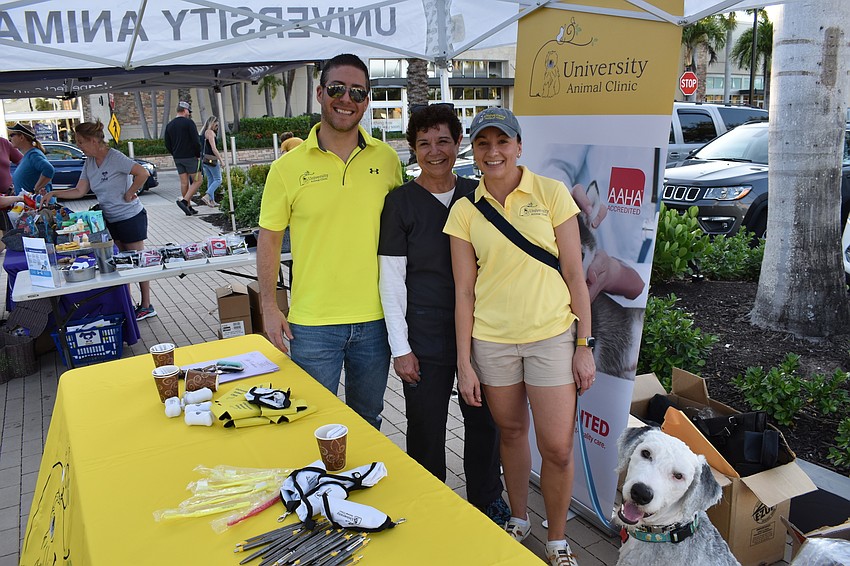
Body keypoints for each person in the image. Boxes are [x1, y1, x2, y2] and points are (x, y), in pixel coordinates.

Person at [444, 108, 595, 566]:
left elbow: (574, 273)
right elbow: (464, 292)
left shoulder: (550, 194)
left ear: (519, 146)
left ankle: (558, 540)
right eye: (483, 143)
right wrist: (465, 362)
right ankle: (518, 518)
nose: (493, 152)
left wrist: (584, 345)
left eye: (502, 142)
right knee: (511, 434)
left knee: (557, 447)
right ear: (473, 149)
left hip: (551, 337)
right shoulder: (465, 210)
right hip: (492, 343)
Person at [378, 103, 510, 524]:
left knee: (484, 425)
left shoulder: (480, 192)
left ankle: (487, 499)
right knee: (425, 428)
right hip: (425, 338)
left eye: (443, 141)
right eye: (423, 143)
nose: (434, 151)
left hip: (481, 335)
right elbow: (390, 281)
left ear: (458, 145)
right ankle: (431, 501)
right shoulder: (400, 204)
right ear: (412, 149)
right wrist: (401, 348)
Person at [257, 53, 402, 429]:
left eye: (357, 92)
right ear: (321, 93)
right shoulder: (286, 168)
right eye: (337, 88)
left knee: (368, 420)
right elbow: (269, 240)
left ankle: (357, 487)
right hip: (311, 325)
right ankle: (315, 489)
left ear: (367, 101)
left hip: (376, 321)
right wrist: (269, 306)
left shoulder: (387, 160)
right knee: (309, 423)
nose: (346, 99)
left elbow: (403, 237)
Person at [41, 121, 156, 321]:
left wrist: (130, 192)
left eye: (80, 142)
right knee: (120, 263)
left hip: (130, 217)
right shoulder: (89, 162)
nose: (79, 146)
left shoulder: (115, 157)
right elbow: (80, 191)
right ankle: (127, 305)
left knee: (137, 261)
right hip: (109, 218)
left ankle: (147, 305)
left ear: (94, 141)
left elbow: (142, 173)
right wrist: (53, 193)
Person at [164, 101, 201, 216]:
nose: (189, 114)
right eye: (189, 112)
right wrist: (198, 154)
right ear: (185, 111)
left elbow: (167, 143)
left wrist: (174, 153)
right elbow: (196, 141)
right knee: (198, 180)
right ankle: (185, 202)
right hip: (190, 156)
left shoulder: (169, 125)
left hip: (178, 157)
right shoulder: (189, 123)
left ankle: (188, 208)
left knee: (184, 182)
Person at [9, 123, 54, 199]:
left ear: (21, 137)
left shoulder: (33, 155)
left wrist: (37, 188)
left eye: (12, 135)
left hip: (38, 206)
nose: (10, 139)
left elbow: (49, 170)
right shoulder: (28, 155)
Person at [0, 133, 23, 238]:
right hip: (3, 201)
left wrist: (17, 179)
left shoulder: (3, 143)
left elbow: (23, 162)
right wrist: (20, 198)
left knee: (10, 235)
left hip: (8, 196)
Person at [199, 116, 223, 207]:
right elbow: (214, 148)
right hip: (212, 160)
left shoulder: (203, 133)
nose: (217, 128)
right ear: (212, 123)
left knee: (211, 179)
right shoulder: (210, 133)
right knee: (218, 179)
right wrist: (221, 160)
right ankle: (207, 195)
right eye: (216, 125)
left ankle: (211, 201)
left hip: (204, 159)